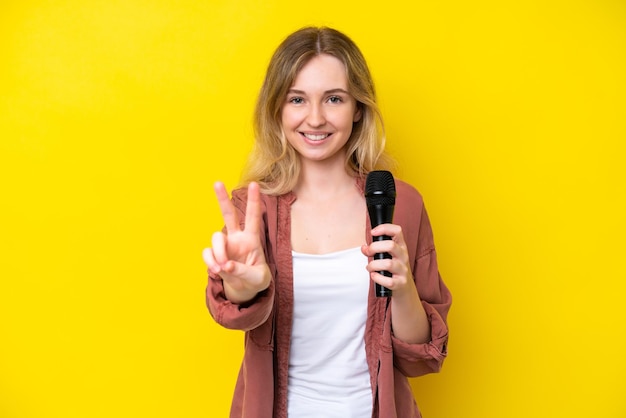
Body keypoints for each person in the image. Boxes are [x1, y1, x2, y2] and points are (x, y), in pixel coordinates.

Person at [203, 26, 451, 418]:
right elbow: (235, 313)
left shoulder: (401, 205)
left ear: (358, 109)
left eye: (333, 99)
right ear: (277, 110)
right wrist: (241, 287)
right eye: (297, 99)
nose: (315, 118)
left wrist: (402, 289)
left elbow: (419, 356)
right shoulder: (254, 209)